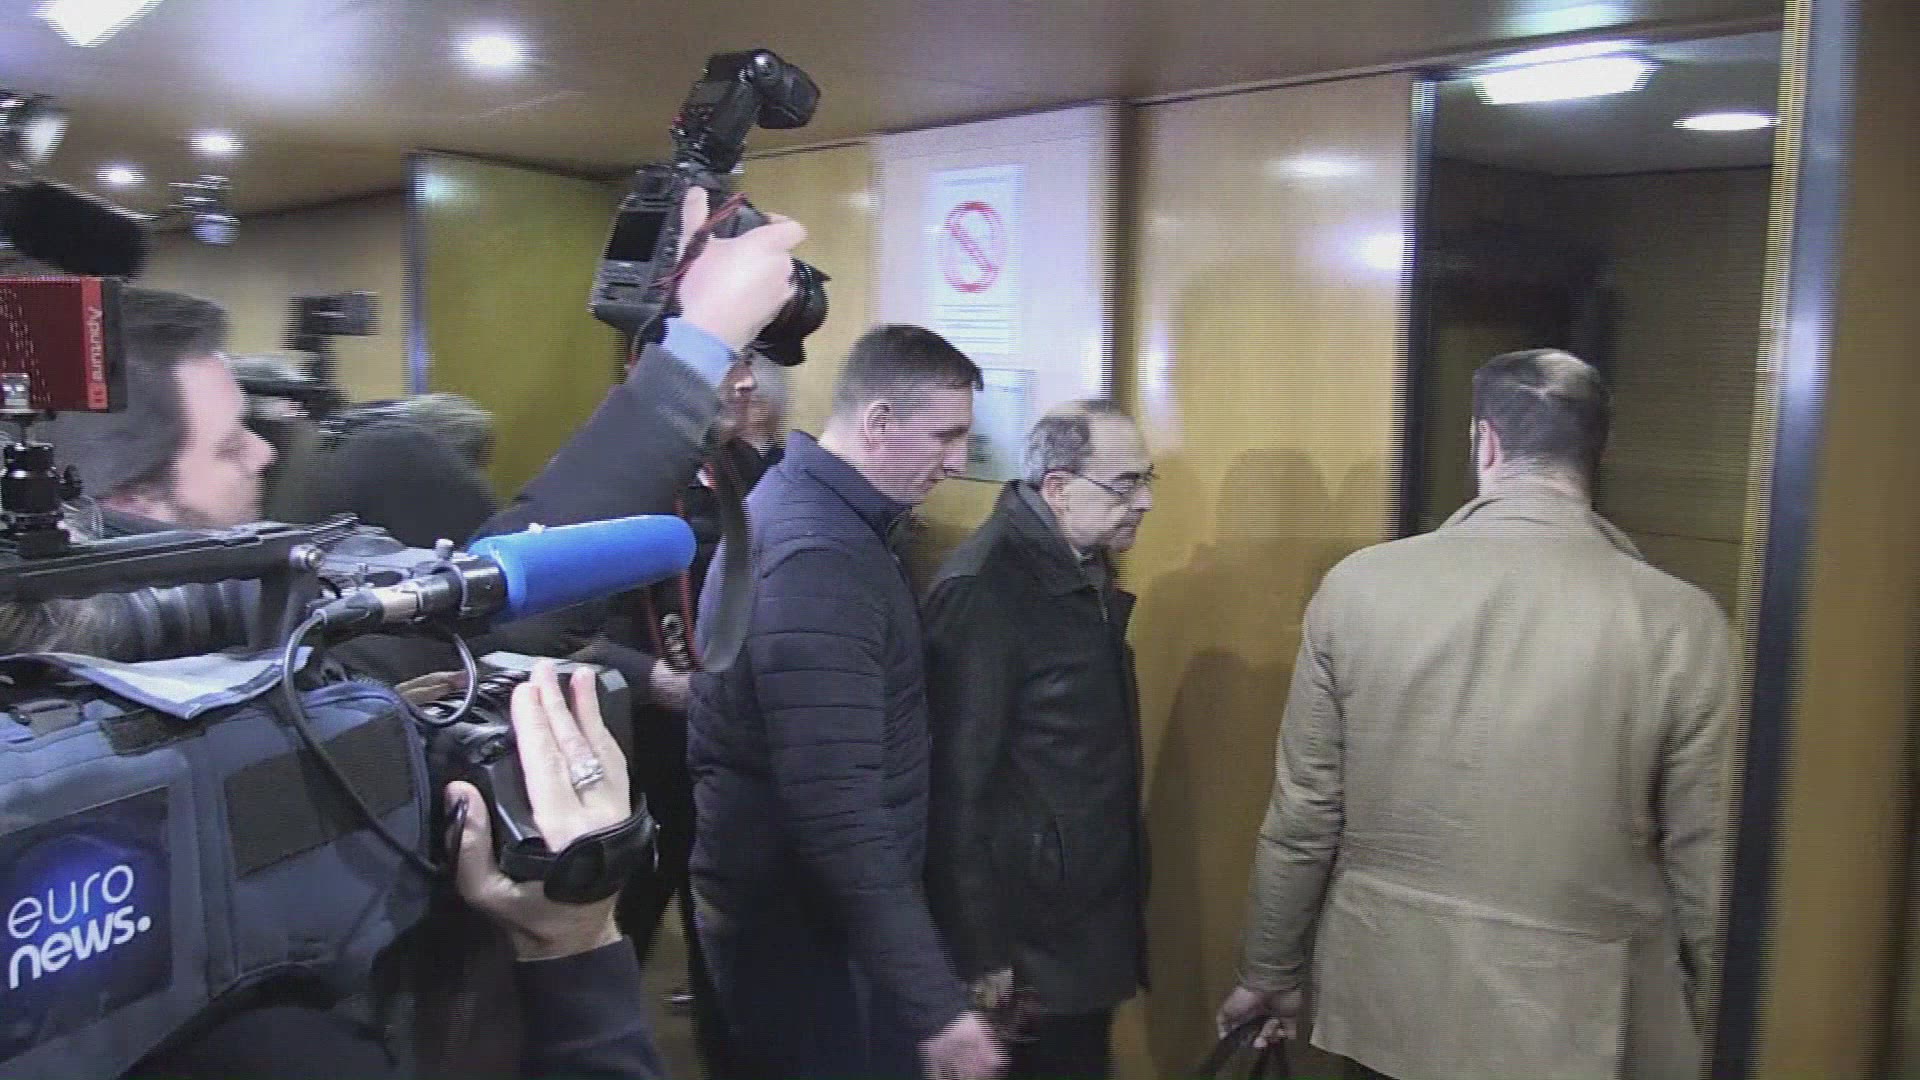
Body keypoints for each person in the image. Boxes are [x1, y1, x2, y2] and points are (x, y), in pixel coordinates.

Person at [1216, 350, 1733, 1080]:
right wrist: (1721, 1012)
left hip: (1386, 995)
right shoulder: (1682, 623)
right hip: (1577, 1015)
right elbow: (1706, 855)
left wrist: (1269, 969)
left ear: (1484, 441)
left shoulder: (1359, 588)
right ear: (1600, 452)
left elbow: (1303, 815)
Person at [686, 325, 1004, 1080]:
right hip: (804, 938)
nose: (958, 462)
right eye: (947, 436)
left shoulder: (816, 513)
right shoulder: (820, 555)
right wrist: (932, 1003)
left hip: (810, 921)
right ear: (879, 422)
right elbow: (836, 808)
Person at [921, 401, 1155, 1080]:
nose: (1144, 502)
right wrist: (980, 951)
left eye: (1148, 481)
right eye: (1124, 484)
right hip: (1028, 939)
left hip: (1078, 919)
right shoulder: (987, 588)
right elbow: (955, 785)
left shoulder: (1080, 565)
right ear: (1057, 487)